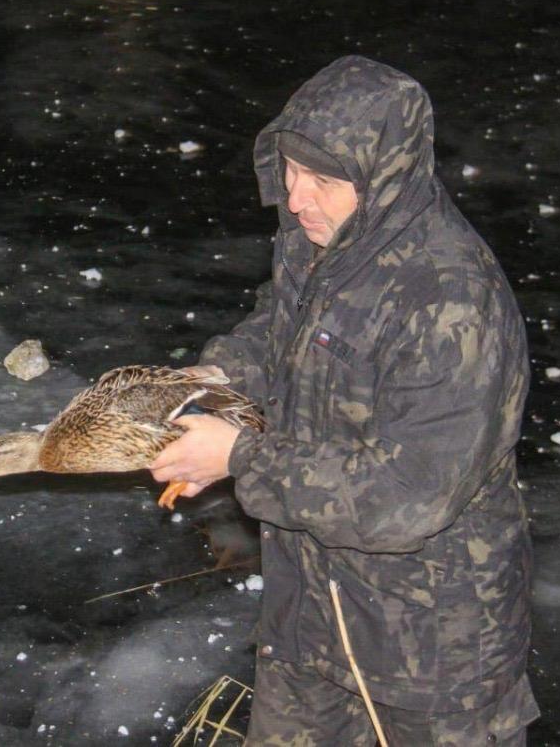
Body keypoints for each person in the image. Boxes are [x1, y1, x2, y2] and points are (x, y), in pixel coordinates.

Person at [150, 55, 537, 745]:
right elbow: (281, 334)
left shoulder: (450, 302)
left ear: (384, 180)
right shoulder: (322, 241)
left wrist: (241, 456)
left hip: (428, 660)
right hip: (308, 620)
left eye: (323, 181)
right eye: (290, 172)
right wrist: (209, 389)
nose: (297, 199)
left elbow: (406, 497)